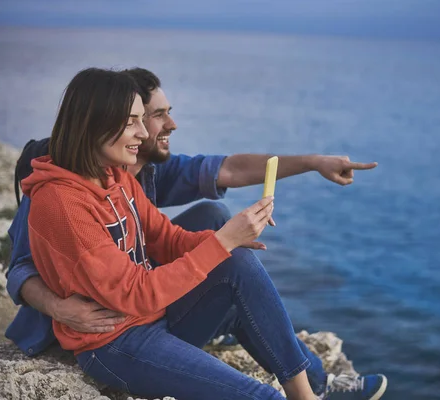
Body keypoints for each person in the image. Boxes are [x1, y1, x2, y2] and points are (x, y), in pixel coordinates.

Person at [21, 67, 387, 399]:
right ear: (95, 124)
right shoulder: (61, 203)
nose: (144, 132)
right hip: (114, 343)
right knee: (263, 397)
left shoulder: (115, 176)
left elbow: (167, 238)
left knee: (238, 262)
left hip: (151, 318)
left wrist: (232, 240)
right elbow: (135, 292)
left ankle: (308, 394)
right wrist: (222, 240)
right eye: (133, 121)